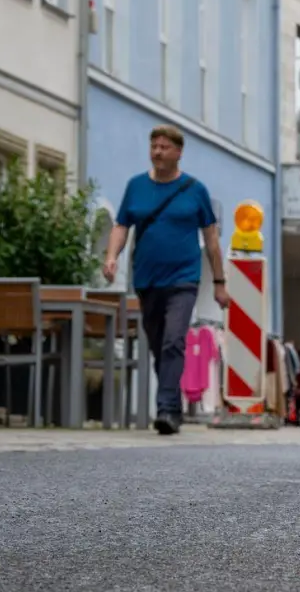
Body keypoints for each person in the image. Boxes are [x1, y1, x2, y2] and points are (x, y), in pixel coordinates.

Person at [101, 125, 225, 436]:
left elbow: (211, 240)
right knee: (159, 344)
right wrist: (111, 256)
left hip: (184, 279)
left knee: (173, 341)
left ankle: (167, 410)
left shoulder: (195, 190)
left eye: (164, 147)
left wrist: (220, 282)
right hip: (147, 279)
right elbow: (121, 226)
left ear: (179, 152)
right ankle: (171, 402)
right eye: (154, 146)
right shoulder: (136, 187)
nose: (157, 152)